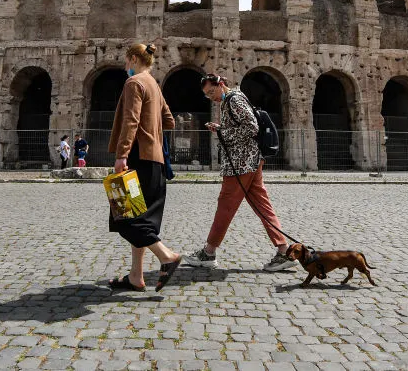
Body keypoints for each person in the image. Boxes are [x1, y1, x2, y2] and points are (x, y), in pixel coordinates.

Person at [183, 74, 295, 272]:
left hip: (241, 163)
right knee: (263, 206)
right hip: (250, 161)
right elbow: (241, 127)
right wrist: (221, 128)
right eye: (207, 95)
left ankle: (208, 253)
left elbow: (251, 127)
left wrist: (221, 132)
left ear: (221, 84)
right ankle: (284, 250)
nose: (211, 97)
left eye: (212, 92)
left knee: (225, 205)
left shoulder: (234, 99)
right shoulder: (231, 100)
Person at [107, 42, 182, 292]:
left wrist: (121, 154)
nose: (125, 65)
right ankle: (135, 276)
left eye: (126, 61)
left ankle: (166, 256)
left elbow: (131, 121)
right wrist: (153, 129)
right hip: (156, 161)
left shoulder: (133, 82)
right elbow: (169, 121)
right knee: (141, 217)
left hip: (137, 157)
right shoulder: (155, 86)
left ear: (132, 59)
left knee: (125, 217)